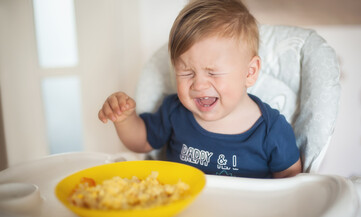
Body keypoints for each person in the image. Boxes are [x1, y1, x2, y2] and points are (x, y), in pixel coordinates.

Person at [98, 0, 302, 178]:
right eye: (186, 73)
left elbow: (292, 186)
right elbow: (141, 142)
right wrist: (124, 119)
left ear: (249, 72)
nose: (199, 85)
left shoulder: (272, 131)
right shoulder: (174, 111)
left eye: (212, 72)